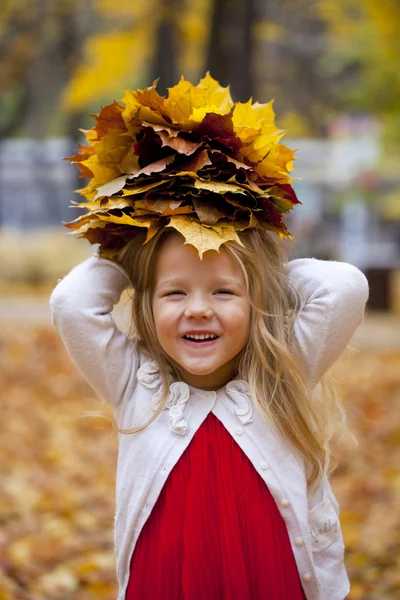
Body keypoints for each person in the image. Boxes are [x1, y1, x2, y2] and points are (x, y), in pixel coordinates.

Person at [50, 75, 369, 600]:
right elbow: (72, 304)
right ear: (147, 305)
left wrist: (261, 274)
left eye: (223, 292)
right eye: (174, 294)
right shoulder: (138, 387)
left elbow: (345, 287)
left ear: (255, 300)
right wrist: (127, 251)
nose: (199, 310)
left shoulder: (279, 375)